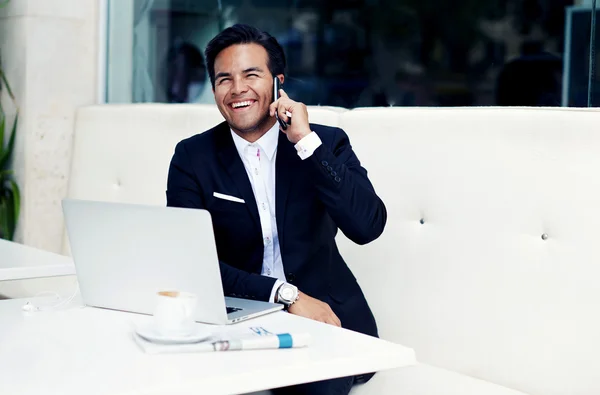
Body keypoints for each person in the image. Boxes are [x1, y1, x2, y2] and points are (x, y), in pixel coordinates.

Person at [166, 24, 386, 395]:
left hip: (325, 318)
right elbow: (190, 262)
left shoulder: (325, 143)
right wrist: (284, 295)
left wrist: (305, 143)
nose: (237, 89)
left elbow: (367, 226)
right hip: (237, 314)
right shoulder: (192, 157)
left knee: (320, 385)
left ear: (278, 83)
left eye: (251, 74)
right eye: (224, 79)